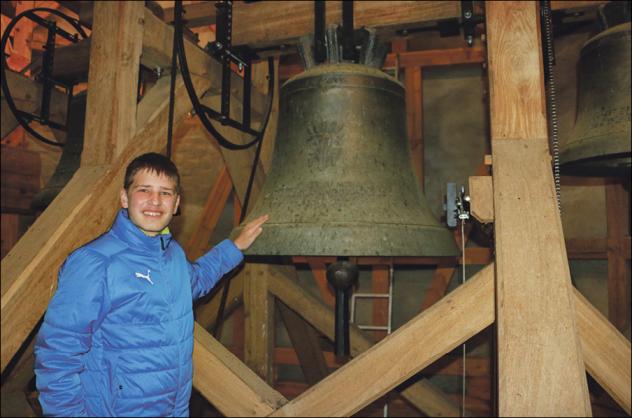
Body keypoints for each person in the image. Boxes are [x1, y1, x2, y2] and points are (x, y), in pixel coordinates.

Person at [34, 152, 268, 417]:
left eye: (166, 193)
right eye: (144, 190)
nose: (155, 201)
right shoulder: (95, 263)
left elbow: (198, 279)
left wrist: (235, 246)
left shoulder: (173, 256)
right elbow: (57, 356)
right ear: (124, 197)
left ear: (177, 203)